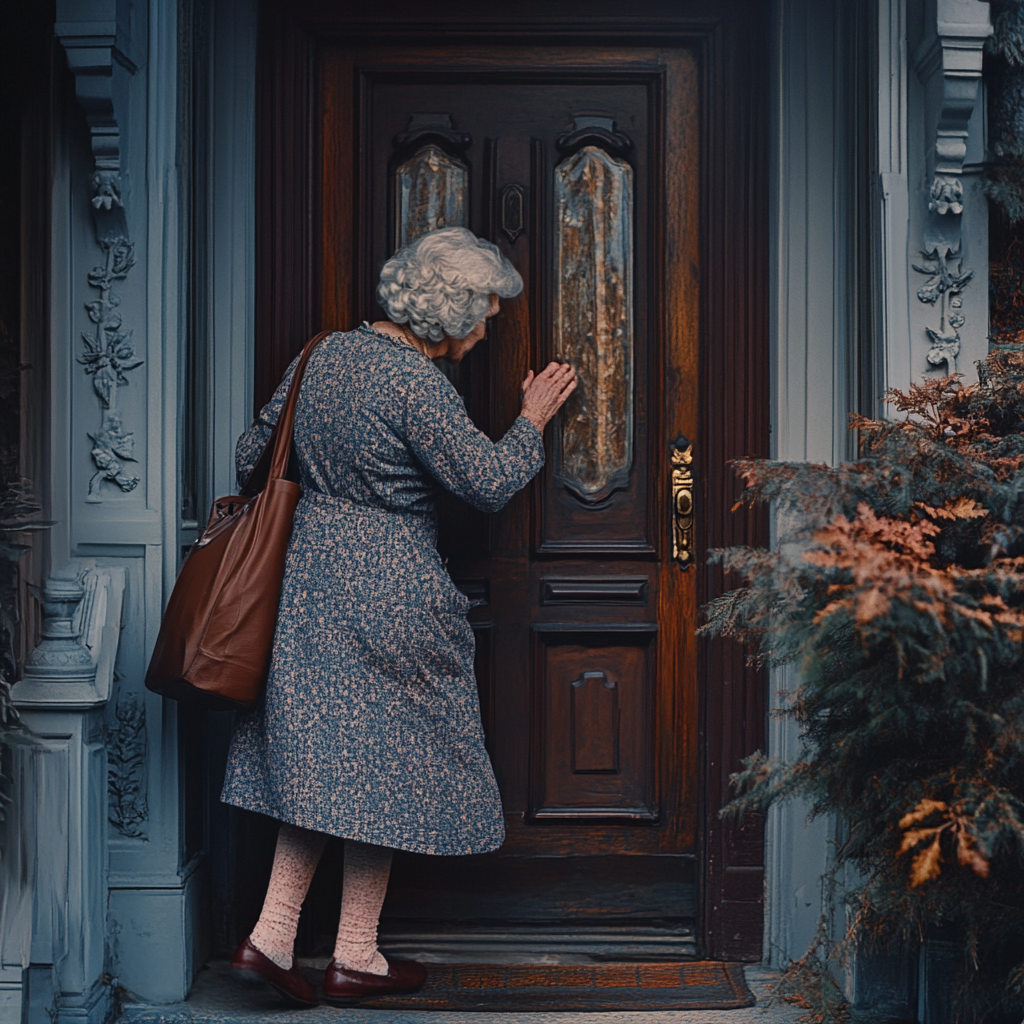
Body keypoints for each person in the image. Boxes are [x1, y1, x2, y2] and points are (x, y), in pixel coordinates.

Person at [221, 226, 577, 1006]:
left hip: (307, 582)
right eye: (482, 313)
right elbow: (484, 482)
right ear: (446, 315)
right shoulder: (415, 383)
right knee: (382, 765)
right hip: (391, 591)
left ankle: (285, 940)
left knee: (324, 764)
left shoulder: (321, 355)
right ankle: (343, 952)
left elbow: (251, 458)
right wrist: (531, 419)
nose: (486, 329)